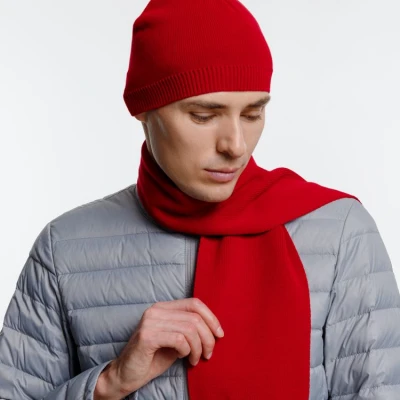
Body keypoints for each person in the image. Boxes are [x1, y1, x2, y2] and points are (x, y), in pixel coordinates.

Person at [1, 0, 400, 399]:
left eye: (252, 114)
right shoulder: (64, 248)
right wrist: (109, 383)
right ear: (143, 109)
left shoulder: (340, 233)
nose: (235, 145)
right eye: (204, 116)